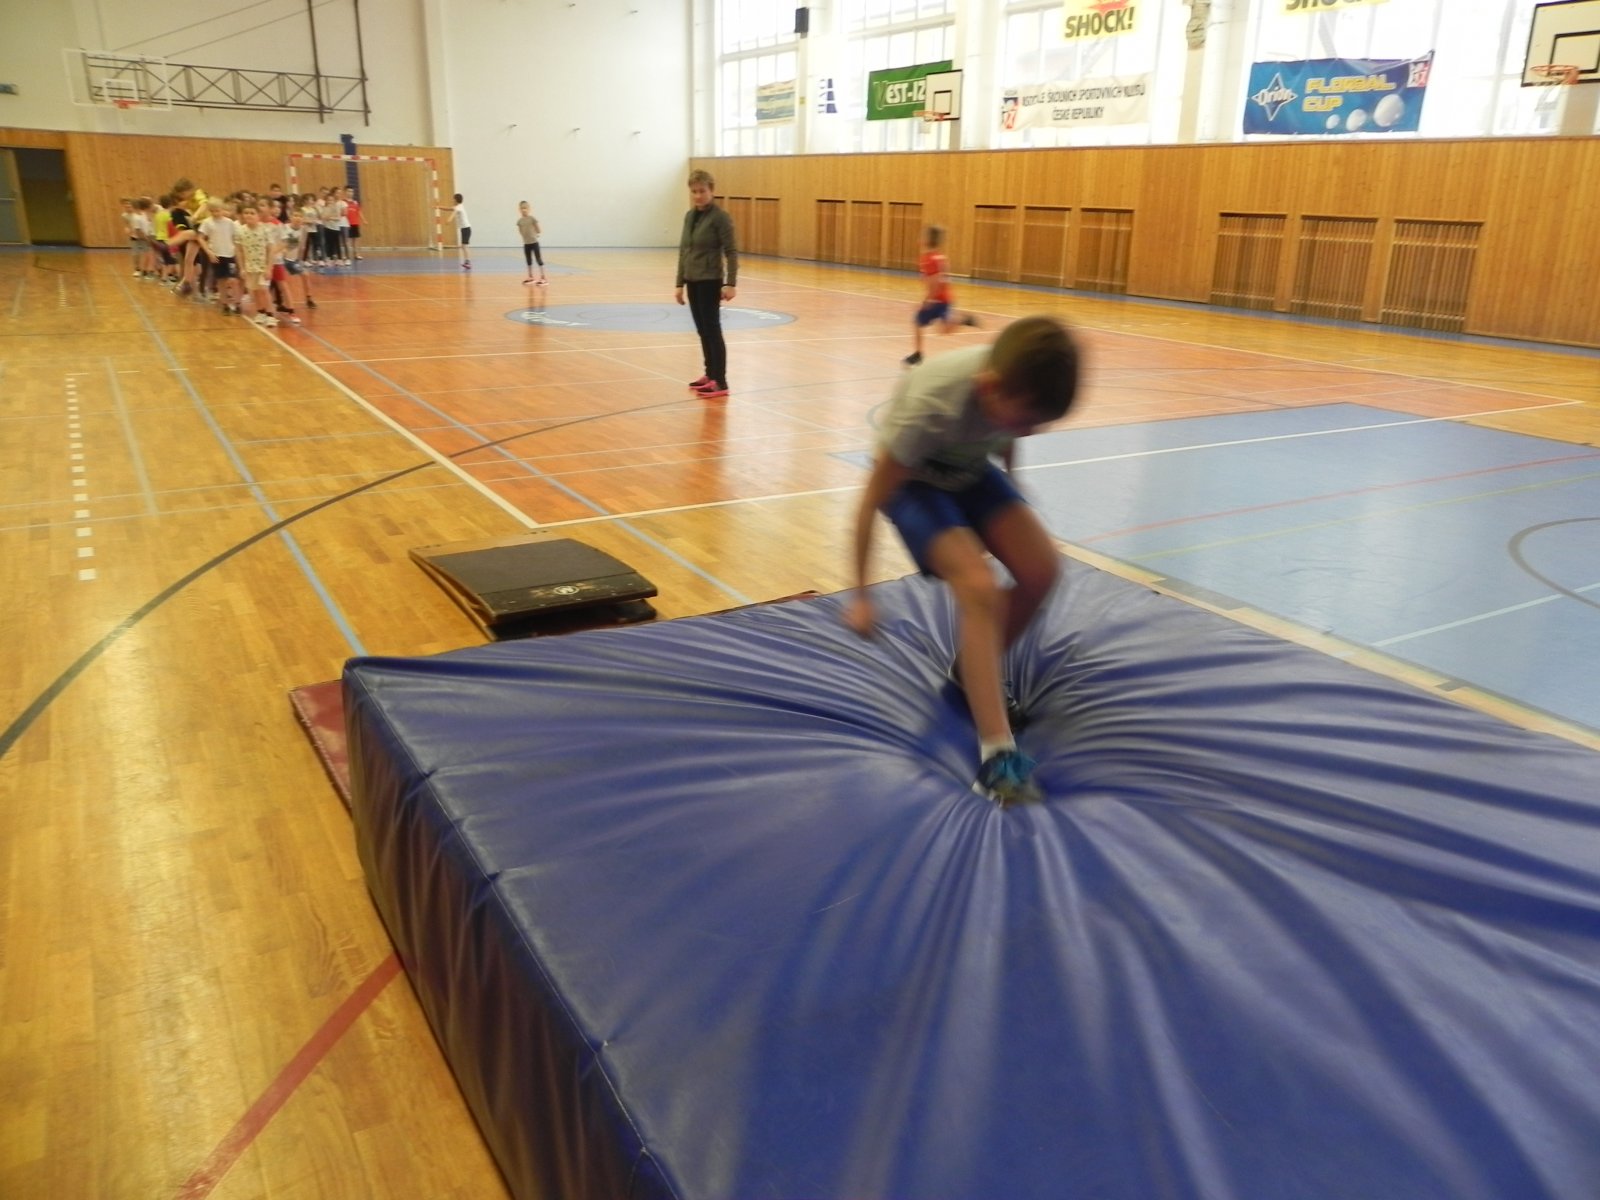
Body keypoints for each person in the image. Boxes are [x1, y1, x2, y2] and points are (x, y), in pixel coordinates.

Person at [847, 316, 1080, 807]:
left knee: (1043, 569)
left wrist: (1014, 489)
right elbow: (869, 502)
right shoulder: (932, 408)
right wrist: (862, 595)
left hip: (969, 470)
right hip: (914, 484)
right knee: (978, 585)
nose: (1030, 432)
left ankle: (970, 671)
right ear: (989, 387)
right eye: (1026, 421)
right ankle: (998, 760)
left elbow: (1007, 437)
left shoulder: (1010, 387)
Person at [674, 169, 737, 399]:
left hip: (710, 280)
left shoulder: (720, 218)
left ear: (712, 191)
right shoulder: (690, 216)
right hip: (692, 280)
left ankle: (720, 381)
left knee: (712, 330)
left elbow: (731, 252)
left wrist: (730, 283)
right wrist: (679, 283)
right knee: (702, 330)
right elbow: (684, 251)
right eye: (694, 191)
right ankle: (710, 374)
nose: (698, 196)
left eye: (702, 191)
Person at [905, 225, 979, 367]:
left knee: (942, 330)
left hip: (941, 300)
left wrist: (928, 300)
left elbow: (935, 282)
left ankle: (963, 319)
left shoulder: (930, 259)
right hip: (940, 299)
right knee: (919, 322)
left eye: (923, 235)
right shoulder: (935, 257)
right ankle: (918, 354)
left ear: (928, 239)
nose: (920, 238)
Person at [438, 193, 472, 269]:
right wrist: (439, 207)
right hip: (465, 229)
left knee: (464, 246)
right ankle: (467, 262)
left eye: (453, 199)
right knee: (464, 246)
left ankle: (468, 263)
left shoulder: (458, 208)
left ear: (456, 200)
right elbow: (449, 209)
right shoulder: (459, 206)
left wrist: (449, 220)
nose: (452, 200)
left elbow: (453, 214)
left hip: (466, 229)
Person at [516, 200, 547, 285]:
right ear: (519, 209)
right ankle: (531, 277)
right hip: (526, 244)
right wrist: (525, 237)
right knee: (528, 260)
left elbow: (538, 230)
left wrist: (535, 235)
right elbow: (520, 231)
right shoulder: (519, 221)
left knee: (538, 259)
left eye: (525, 208)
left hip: (534, 243)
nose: (524, 210)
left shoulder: (532, 219)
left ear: (529, 209)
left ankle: (543, 278)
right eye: (522, 208)